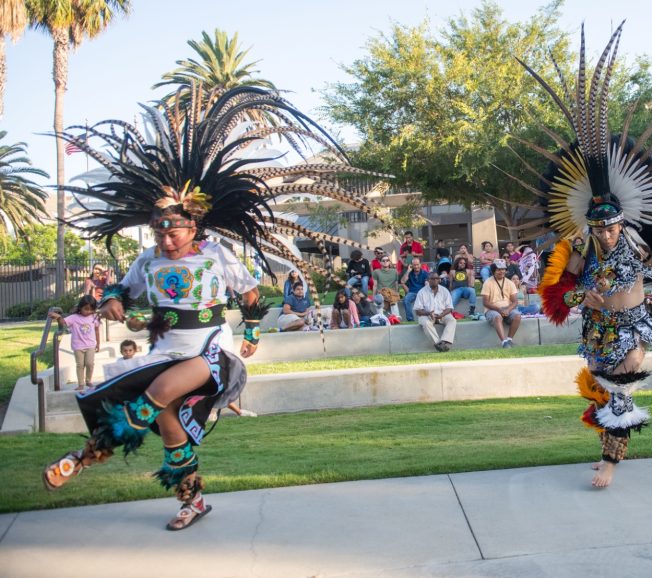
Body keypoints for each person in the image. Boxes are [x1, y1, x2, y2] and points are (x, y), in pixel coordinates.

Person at [40, 85, 390, 531]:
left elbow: (250, 296)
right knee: (170, 429)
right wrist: (112, 302)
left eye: (174, 232)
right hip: (163, 348)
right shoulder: (146, 260)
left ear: (193, 224)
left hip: (208, 351)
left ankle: (85, 458)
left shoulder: (216, 254)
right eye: (160, 232)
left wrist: (252, 332)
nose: (166, 240)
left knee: (162, 391)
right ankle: (193, 501)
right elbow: (123, 293)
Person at [523, 23, 652, 488]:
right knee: (599, 390)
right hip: (598, 329)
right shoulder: (580, 248)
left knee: (620, 391)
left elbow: (637, 279)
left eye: (611, 226)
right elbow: (560, 293)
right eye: (600, 228)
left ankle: (613, 463)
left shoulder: (631, 245)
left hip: (631, 326)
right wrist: (576, 295)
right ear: (592, 226)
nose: (607, 233)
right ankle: (605, 454)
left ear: (621, 222)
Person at [49, 295, 101, 390]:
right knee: (80, 365)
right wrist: (58, 317)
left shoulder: (94, 317)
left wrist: (98, 343)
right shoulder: (74, 317)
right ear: (80, 307)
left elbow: (97, 330)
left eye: (91, 309)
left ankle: (88, 380)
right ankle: (81, 384)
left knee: (89, 363)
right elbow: (63, 323)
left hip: (90, 345)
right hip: (78, 346)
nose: (88, 311)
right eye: (86, 309)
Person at [481, 260, 522, 348]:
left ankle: (509, 340)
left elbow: (515, 302)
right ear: (493, 271)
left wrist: (508, 309)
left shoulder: (510, 283)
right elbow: (485, 302)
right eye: (499, 269)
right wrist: (499, 309)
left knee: (517, 316)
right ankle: (504, 342)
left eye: (503, 269)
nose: (502, 271)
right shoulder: (487, 282)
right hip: (492, 310)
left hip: (507, 309)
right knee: (497, 316)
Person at [413, 271, 456, 351]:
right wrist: (428, 313)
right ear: (428, 280)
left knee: (452, 320)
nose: (435, 280)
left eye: (437, 278)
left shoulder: (444, 290)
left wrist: (442, 315)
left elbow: (449, 308)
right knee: (426, 323)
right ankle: (438, 344)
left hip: (442, 315)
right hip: (427, 315)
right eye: (433, 279)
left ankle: (445, 341)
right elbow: (417, 311)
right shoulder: (421, 292)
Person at [399, 257, 428, 322]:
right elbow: (402, 281)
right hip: (412, 292)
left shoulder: (425, 273)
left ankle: (426, 318)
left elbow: (427, 285)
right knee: (406, 300)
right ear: (411, 265)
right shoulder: (409, 273)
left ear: (420, 264)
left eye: (417, 264)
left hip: (422, 292)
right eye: (414, 265)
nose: (416, 266)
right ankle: (410, 320)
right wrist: (408, 271)